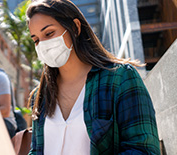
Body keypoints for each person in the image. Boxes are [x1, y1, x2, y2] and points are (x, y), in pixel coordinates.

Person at [26, 0, 160, 154]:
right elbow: (37, 150)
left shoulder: (120, 78)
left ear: (75, 28)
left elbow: (144, 150)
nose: (43, 45)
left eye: (49, 33)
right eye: (36, 40)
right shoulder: (40, 95)